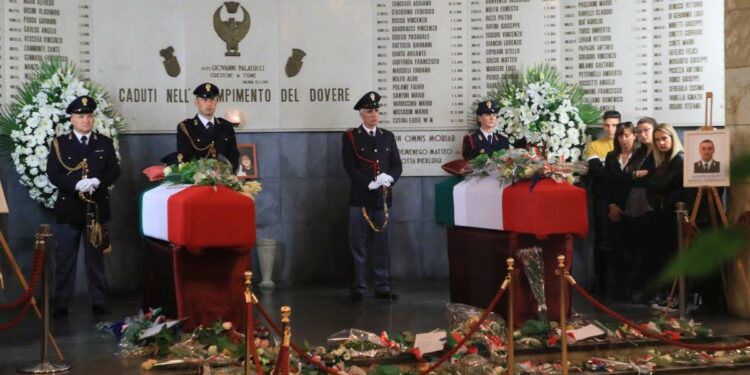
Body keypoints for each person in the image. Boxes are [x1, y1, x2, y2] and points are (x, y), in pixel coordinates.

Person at [46, 95, 120, 318]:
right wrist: (75, 183)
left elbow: (113, 171)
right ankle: (61, 304)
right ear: (72, 119)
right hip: (70, 208)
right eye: (81, 116)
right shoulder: (60, 143)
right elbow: (54, 173)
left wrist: (98, 181)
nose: (86, 120)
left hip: (96, 209)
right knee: (65, 260)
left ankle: (99, 301)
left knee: (95, 260)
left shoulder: (104, 143)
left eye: (89, 116)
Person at [341, 91, 402, 302]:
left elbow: (396, 164)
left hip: (382, 198)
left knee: (381, 244)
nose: (374, 115)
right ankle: (358, 286)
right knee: (357, 243)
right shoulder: (351, 137)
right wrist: (368, 183)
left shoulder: (387, 136)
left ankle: (382, 285)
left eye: (376, 110)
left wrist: (389, 178)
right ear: (361, 114)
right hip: (360, 198)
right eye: (369, 111)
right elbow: (350, 167)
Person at [583, 110, 619, 295]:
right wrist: (618, 172)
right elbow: (596, 171)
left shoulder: (626, 143)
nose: (611, 129)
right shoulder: (595, 146)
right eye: (607, 125)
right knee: (602, 240)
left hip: (623, 198)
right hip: (602, 198)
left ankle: (620, 283)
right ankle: (600, 283)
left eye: (614, 125)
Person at [177, 82, 240, 171]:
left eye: (212, 99)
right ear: (196, 102)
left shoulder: (226, 126)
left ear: (216, 102)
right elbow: (185, 159)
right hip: (198, 180)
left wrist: (228, 176)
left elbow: (234, 156)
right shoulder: (186, 127)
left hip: (223, 179)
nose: (209, 104)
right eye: (204, 100)